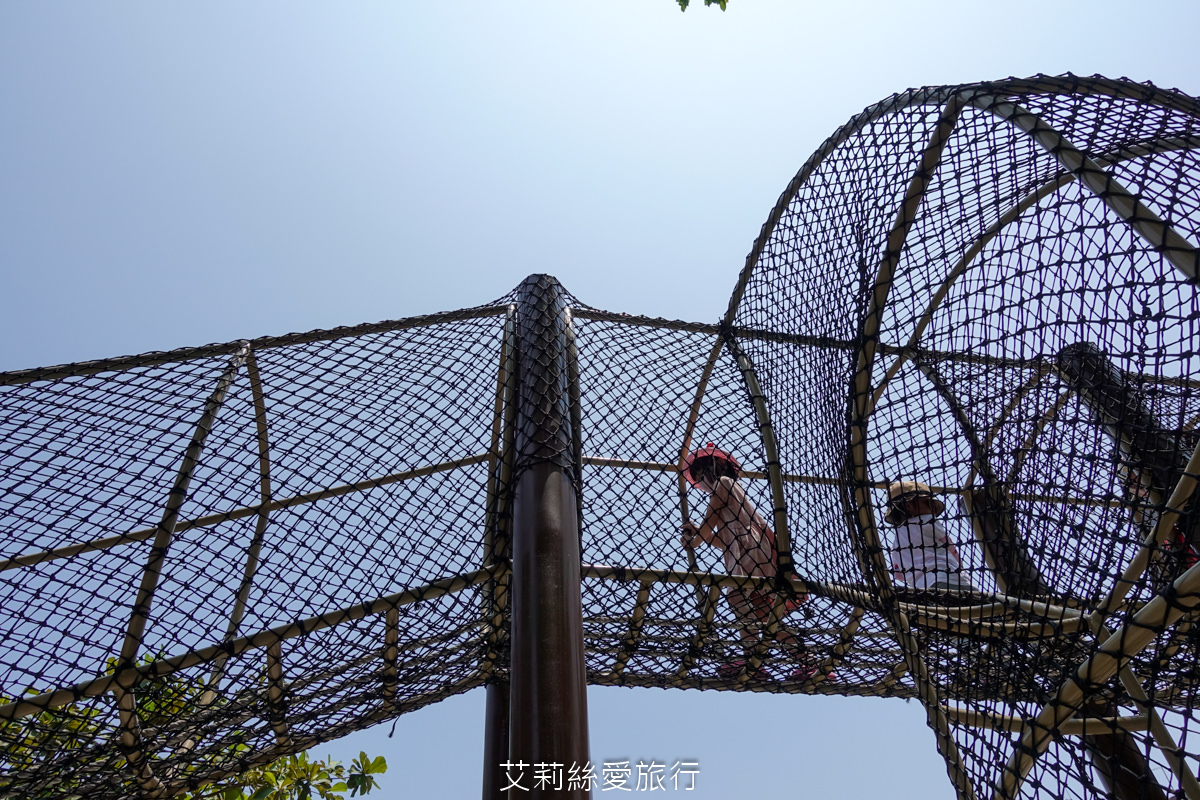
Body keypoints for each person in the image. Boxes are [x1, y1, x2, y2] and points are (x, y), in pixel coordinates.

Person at [679, 443, 829, 682]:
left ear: (716, 467)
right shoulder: (726, 490)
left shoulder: (724, 484)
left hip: (750, 550)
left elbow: (710, 520)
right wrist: (700, 535)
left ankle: (752, 660)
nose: (701, 482)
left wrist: (696, 540)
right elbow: (720, 539)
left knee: (737, 597)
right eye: (697, 478)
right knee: (763, 615)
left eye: (701, 475)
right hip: (746, 551)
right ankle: (807, 660)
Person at [885, 481, 977, 592]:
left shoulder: (896, 543)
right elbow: (950, 547)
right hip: (949, 577)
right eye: (929, 503)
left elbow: (899, 575)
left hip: (923, 588)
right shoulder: (927, 521)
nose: (933, 509)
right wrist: (959, 565)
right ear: (909, 505)